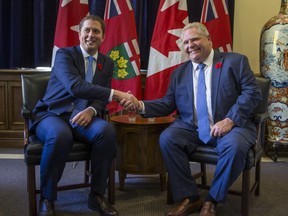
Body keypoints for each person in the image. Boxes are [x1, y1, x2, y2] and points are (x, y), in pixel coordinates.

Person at [122, 22, 262, 216]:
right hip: (192, 128)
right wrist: (140, 105)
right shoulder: (180, 73)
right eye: (186, 42)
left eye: (195, 39)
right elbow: (167, 104)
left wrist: (230, 119)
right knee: (168, 139)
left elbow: (253, 93)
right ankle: (191, 198)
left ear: (209, 40)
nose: (190, 45)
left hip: (233, 126)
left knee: (235, 147)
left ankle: (211, 200)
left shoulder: (235, 62)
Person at [31, 15, 131, 216]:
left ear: (103, 37)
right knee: (60, 136)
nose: (91, 35)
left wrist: (91, 110)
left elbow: (99, 98)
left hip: (83, 117)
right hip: (53, 113)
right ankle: (47, 198)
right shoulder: (64, 55)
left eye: (96, 31)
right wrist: (115, 94)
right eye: (87, 30)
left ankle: (96, 196)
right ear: (79, 34)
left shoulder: (107, 63)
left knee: (107, 131)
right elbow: (75, 86)